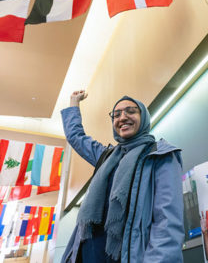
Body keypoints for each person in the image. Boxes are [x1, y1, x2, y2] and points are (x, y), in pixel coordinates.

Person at [61, 90, 184, 263]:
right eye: (116, 115)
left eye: (131, 111)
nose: (122, 118)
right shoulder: (106, 156)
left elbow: (167, 223)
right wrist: (74, 103)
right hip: (88, 254)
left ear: (144, 117)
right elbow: (76, 137)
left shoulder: (159, 156)